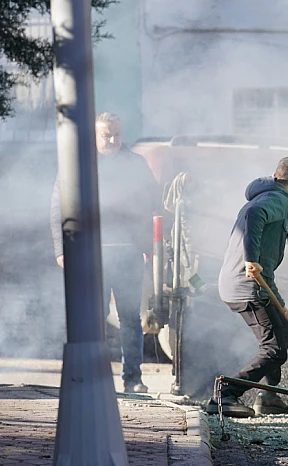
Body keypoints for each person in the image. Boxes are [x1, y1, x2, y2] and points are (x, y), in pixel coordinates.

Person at [50, 112, 158, 394]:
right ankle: (93, 377)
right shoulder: (77, 166)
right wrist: (62, 250)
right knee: (92, 318)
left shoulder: (136, 164)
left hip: (128, 255)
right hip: (90, 256)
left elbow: (153, 203)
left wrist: (148, 245)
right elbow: (58, 207)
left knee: (130, 318)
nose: (112, 140)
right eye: (106, 135)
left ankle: (132, 378)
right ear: (94, 136)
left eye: (117, 134)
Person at [207, 156, 288, 417]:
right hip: (246, 285)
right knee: (274, 350)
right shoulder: (277, 200)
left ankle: (268, 396)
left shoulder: (268, 194)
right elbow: (254, 216)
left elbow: (266, 268)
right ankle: (225, 393)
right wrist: (251, 260)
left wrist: (281, 306)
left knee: (281, 331)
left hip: (245, 283)